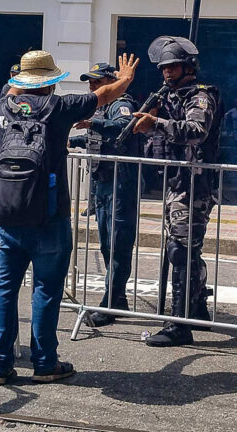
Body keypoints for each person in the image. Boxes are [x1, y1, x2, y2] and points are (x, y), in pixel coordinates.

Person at [0, 50, 138, 385]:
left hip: (6, 213)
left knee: (4, 287)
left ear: (21, 80)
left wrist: (18, 80)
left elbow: (10, 98)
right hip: (49, 216)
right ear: (51, 82)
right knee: (45, 289)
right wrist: (125, 79)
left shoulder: (1, 107)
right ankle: (44, 363)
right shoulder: (58, 108)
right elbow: (103, 95)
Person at [132, 36, 223, 347]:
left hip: (195, 184)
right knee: (184, 250)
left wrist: (155, 122)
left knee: (180, 252)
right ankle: (196, 309)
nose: (166, 73)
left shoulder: (201, 96)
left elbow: (197, 132)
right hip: (176, 183)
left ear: (188, 67)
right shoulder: (169, 96)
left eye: (172, 67)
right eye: (163, 68)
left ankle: (179, 325)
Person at [68, 63, 139, 327]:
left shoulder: (121, 104)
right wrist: (73, 141)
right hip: (104, 183)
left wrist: (92, 122)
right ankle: (117, 299)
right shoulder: (100, 108)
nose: (91, 88)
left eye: (96, 83)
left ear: (110, 82)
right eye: (89, 83)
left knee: (118, 244)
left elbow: (123, 126)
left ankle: (110, 303)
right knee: (107, 245)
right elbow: (97, 139)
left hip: (121, 182)